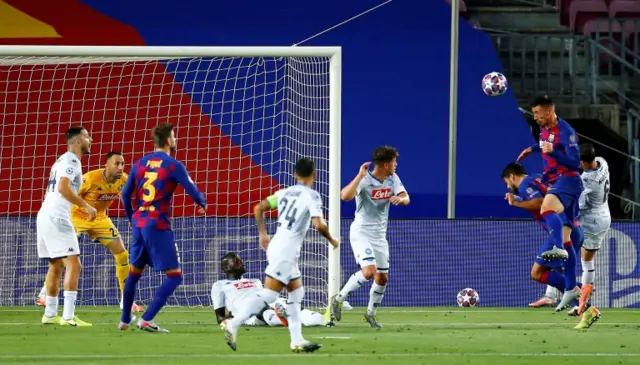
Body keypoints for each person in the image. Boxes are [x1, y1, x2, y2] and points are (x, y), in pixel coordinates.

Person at [221, 158, 339, 352]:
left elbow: (258, 208)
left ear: (295, 175)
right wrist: (332, 240)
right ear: (314, 175)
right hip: (286, 250)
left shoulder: (283, 193)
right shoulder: (312, 195)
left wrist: (263, 234)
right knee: (269, 294)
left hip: (278, 244)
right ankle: (234, 323)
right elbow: (319, 225)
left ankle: (297, 339)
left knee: (296, 292)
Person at [119, 123, 207, 332]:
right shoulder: (173, 165)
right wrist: (202, 202)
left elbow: (124, 194)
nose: (175, 140)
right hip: (157, 223)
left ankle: (124, 320)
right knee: (174, 276)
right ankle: (146, 319)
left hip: (139, 224)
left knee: (134, 273)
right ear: (168, 141)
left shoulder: (139, 163)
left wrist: (133, 218)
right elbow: (192, 190)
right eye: (174, 136)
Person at [35, 152, 144, 312]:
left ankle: (126, 301)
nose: (120, 167)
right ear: (106, 165)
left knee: (122, 254)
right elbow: (69, 194)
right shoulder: (90, 179)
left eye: (122, 164)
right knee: (62, 256)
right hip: (76, 216)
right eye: (116, 164)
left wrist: (134, 219)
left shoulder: (124, 180)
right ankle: (44, 294)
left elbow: (131, 200)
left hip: (99, 218)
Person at [330, 146, 409, 328]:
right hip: (361, 232)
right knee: (369, 271)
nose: (396, 165)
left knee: (382, 278)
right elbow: (344, 196)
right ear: (387, 164)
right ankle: (339, 299)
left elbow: (406, 197)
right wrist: (359, 176)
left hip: (379, 236)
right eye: (394, 162)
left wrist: (401, 200)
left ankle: (370, 314)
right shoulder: (365, 180)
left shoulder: (392, 179)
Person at [517, 95, 584, 310]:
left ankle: (556, 247)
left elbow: (575, 162)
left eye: (538, 113)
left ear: (549, 110)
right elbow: (545, 144)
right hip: (556, 180)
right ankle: (574, 290)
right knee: (567, 240)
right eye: (534, 114)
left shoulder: (566, 131)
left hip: (568, 180)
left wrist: (551, 151)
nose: (535, 117)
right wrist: (534, 149)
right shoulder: (543, 130)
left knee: (546, 207)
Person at [37, 127, 95, 326]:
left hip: (45, 214)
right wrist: (85, 205)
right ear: (78, 141)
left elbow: (50, 190)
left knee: (56, 264)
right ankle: (69, 317)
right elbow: (63, 187)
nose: (91, 139)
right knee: (74, 264)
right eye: (87, 136)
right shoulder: (72, 160)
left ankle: (50, 314)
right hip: (57, 216)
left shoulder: (59, 160)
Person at [211, 252, 329, 328]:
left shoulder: (255, 281)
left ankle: (322, 319)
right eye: (236, 261)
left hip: (267, 303)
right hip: (250, 314)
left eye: (241, 260)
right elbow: (220, 318)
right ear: (226, 267)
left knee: (286, 303)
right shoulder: (219, 286)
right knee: (265, 312)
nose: (241, 263)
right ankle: (284, 318)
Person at [576, 143, 611, 315]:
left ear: (583, 162)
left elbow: (580, 206)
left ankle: (584, 302)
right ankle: (583, 296)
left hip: (593, 220)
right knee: (585, 258)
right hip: (604, 214)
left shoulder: (587, 181)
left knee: (586, 260)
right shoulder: (602, 162)